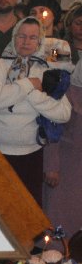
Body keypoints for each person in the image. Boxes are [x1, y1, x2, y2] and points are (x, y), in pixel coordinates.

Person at [0, 16, 71, 204]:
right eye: (21, 36)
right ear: (13, 38)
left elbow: (63, 113)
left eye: (33, 37)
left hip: (30, 155)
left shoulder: (46, 72)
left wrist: (31, 93)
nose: (26, 41)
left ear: (40, 42)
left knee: (26, 211)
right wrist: (28, 84)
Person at [43, 60, 82, 237]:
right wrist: (52, 166)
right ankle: (56, 249)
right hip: (66, 167)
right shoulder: (67, 93)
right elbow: (53, 131)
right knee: (60, 213)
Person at [26, 0, 72, 69]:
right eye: (33, 13)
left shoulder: (60, 44)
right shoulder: (23, 41)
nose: (37, 16)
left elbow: (59, 65)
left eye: (43, 12)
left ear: (54, 15)